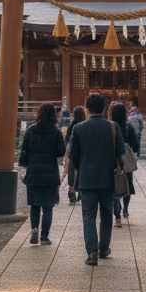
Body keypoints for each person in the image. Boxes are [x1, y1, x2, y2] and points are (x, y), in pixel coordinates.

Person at [67, 92, 125, 265]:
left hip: (87, 177)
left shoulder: (78, 128)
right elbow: (121, 150)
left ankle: (92, 251)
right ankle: (104, 247)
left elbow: (73, 154)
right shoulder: (113, 126)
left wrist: (81, 167)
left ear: (87, 108)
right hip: (108, 177)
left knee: (88, 215)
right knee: (107, 214)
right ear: (104, 108)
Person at [19, 103, 66, 246]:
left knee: (34, 204)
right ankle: (44, 237)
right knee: (48, 206)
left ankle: (34, 229)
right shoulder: (56, 132)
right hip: (50, 173)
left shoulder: (30, 130)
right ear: (54, 115)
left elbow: (24, 153)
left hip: (34, 172)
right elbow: (61, 152)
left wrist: (25, 166)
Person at [109, 102, 138, 225]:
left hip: (112, 161)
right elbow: (135, 146)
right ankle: (125, 209)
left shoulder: (109, 127)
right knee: (127, 186)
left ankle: (117, 216)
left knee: (114, 186)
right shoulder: (128, 127)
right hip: (126, 162)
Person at [64, 106, 86, 204]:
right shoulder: (85, 125)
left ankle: (72, 193)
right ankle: (81, 191)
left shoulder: (72, 125)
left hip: (73, 152)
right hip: (84, 152)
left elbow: (68, 139)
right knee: (82, 172)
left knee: (72, 173)